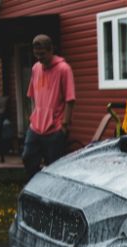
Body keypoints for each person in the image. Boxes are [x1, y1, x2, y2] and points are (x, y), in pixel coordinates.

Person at [23, 34, 76, 179]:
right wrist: (33, 116)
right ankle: (35, 188)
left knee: (55, 167)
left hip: (55, 128)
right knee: (28, 158)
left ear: (51, 50)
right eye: (36, 54)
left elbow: (70, 99)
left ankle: (53, 194)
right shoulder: (35, 68)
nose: (39, 58)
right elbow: (32, 95)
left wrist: (64, 125)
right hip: (36, 127)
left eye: (42, 54)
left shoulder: (64, 69)